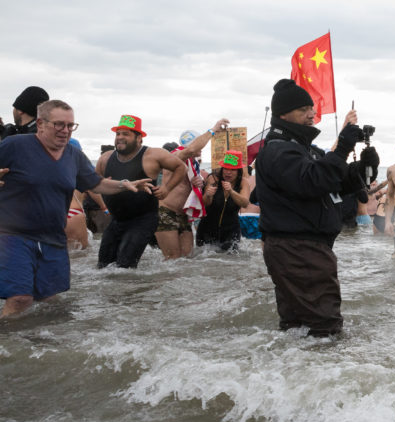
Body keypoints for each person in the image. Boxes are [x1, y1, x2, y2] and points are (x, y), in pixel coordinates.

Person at [0, 100, 153, 317]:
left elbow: (96, 184)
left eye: (70, 126)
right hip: (13, 235)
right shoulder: (15, 145)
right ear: (41, 123)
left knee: (49, 300)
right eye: (59, 125)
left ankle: (36, 344)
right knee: (20, 299)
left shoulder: (73, 156)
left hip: (53, 238)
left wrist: (123, 184)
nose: (65, 131)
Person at [255, 79, 363, 336]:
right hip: (298, 249)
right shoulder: (278, 150)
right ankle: (329, 373)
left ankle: (292, 373)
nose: (312, 113)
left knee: (298, 326)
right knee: (325, 328)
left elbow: (330, 184)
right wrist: (344, 146)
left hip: (301, 249)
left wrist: (360, 168)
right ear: (283, 113)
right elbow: (313, 181)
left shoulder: (301, 149)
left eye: (311, 108)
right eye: (304, 109)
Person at [95, 115, 188, 269]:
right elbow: (93, 182)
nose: (120, 138)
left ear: (139, 138)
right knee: (103, 267)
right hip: (116, 220)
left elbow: (181, 167)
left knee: (124, 267)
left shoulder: (153, 155)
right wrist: (103, 200)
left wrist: (166, 188)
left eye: (126, 134)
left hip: (142, 220)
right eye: (118, 134)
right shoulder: (106, 158)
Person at [155, 119, 230, 259]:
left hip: (183, 216)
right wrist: (213, 130)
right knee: (172, 259)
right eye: (199, 143)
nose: (201, 148)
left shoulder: (193, 165)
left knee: (188, 259)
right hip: (166, 212)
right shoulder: (175, 156)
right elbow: (192, 149)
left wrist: (198, 185)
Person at [195, 150, 253, 251]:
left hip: (231, 230)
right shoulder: (213, 179)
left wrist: (231, 191)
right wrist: (208, 195)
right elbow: (204, 204)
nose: (228, 172)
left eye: (232, 169)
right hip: (207, 228)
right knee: (203, 261)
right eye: (226, 168)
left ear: (239, 171)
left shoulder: (243, 183)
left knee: (230, 263)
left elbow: (244, 203)